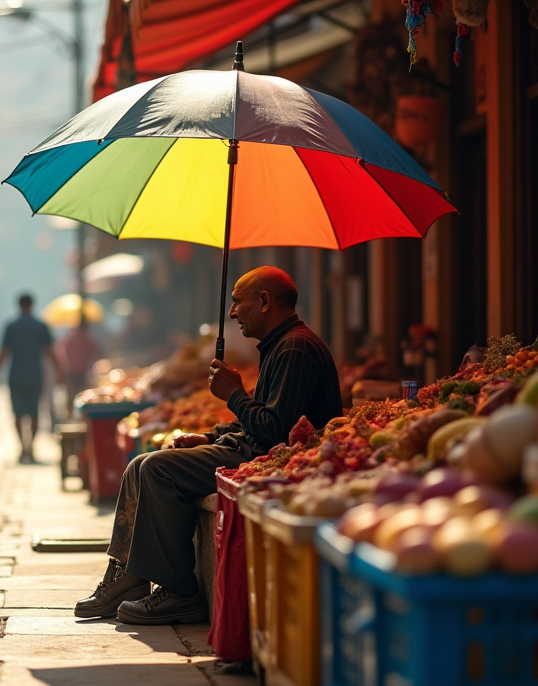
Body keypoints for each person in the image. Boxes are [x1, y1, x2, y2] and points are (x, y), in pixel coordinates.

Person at [75, 267, 340, 625]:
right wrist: (211, 437)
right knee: (139, 465)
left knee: (157, 469)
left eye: (237, 302)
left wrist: (233, 393)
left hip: (275, 456)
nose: (232, 313)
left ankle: (179, 592)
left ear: (263, 302)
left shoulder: (296, 347)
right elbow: (262, 416)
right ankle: (126, 577)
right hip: (253, 445)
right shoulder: (280, 345)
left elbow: (275, 431)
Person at [0, 293, 62, 464]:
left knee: (17, 413)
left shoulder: (11, 326)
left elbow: (4, 352)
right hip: (35, 375)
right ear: (32, 305)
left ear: (19, 305)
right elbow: (49, 351)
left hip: (15, 375)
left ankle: (21, 447)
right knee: (34, 412)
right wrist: (59, 370)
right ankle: (30, 447)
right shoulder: (40, 326)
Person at [59, 321, 102, 417]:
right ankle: (82, 416)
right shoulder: (88, 337)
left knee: (71, 393)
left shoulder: (70, 336)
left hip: (70, 369)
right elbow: (97, 351)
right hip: (82, 370)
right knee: (83, 394)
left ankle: (69, 415)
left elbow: (61, 350)